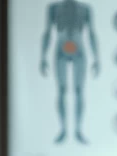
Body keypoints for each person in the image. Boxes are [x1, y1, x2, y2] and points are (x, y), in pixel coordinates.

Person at [40, 0, 100, 144]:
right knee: (61, 90)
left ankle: (78, 130)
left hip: (79, 49)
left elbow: (92, 32)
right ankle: (63, 130)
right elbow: (47, 32)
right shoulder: (53, 8)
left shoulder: (86, 9)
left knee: (79, 91)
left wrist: (97, 58)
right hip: (61, 48)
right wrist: (42, 56)